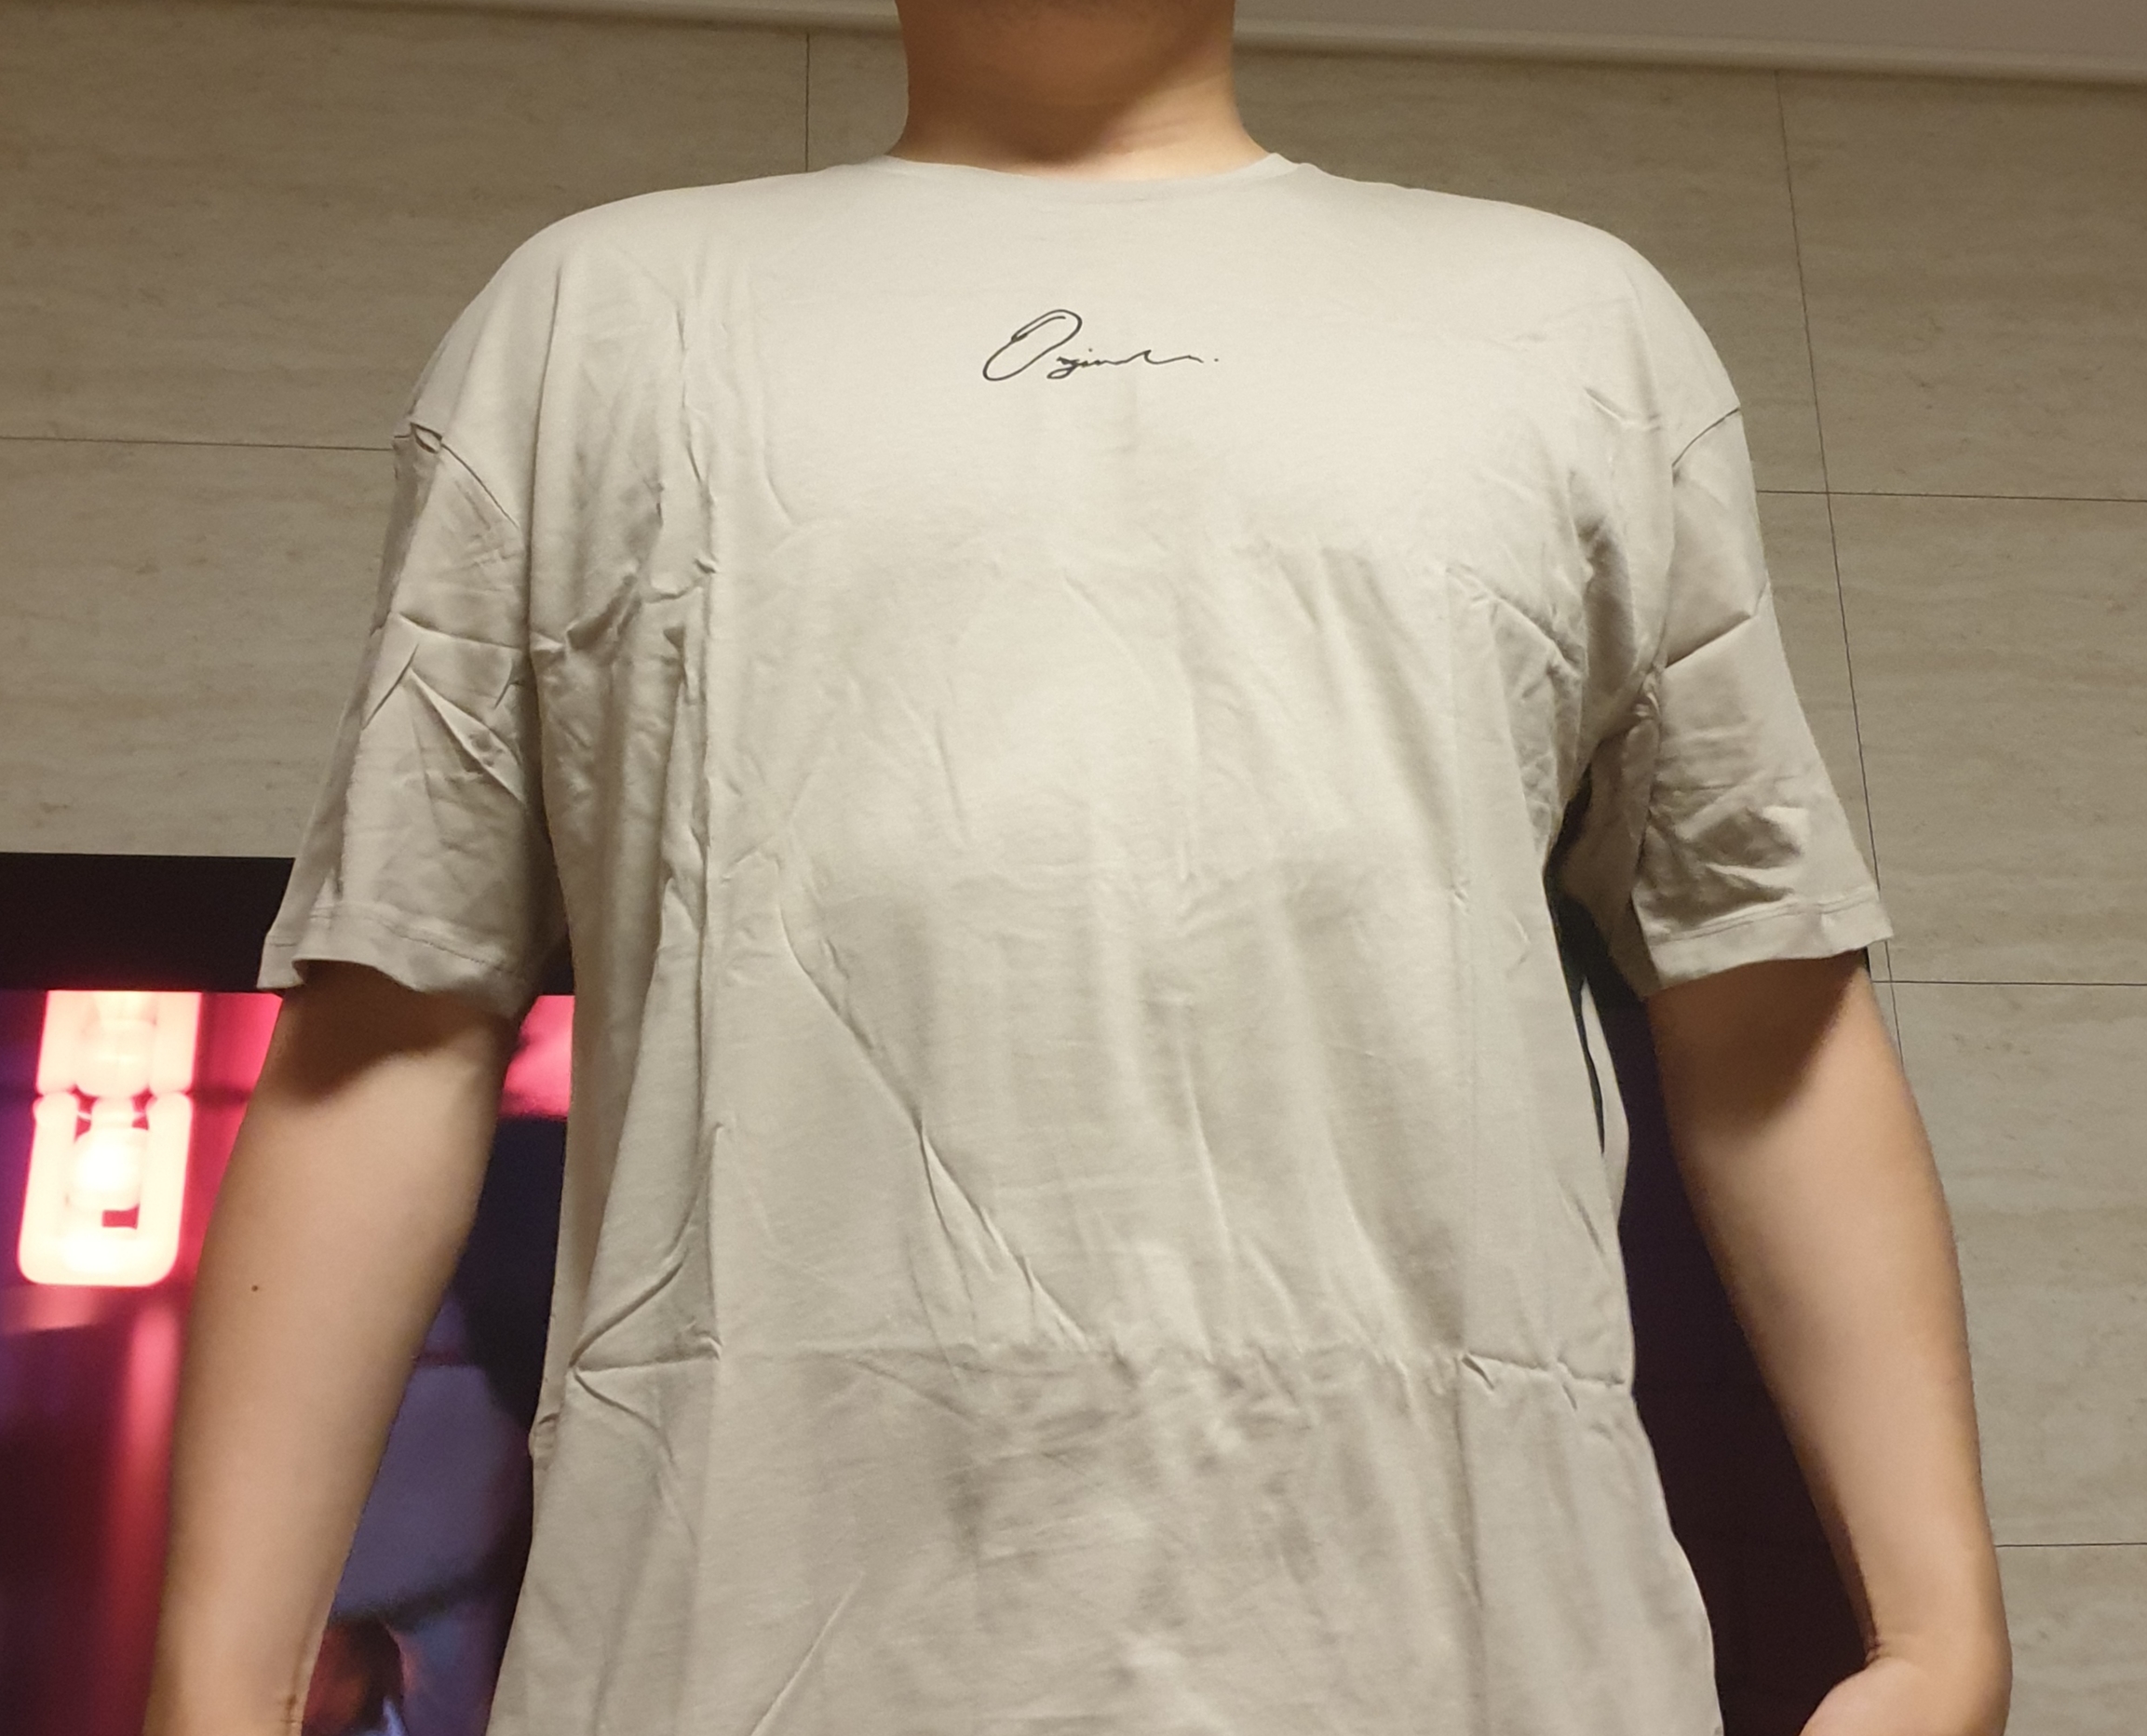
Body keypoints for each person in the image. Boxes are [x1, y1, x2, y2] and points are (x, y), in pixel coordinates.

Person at [143, 3, 2011, 1733]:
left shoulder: (1568, 322)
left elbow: (1760, 987)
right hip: (745, 1651)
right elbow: (394, 1011)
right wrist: (213, 1690)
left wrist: (1937, 1636)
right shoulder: (596, 317)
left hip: (1467, 1652)